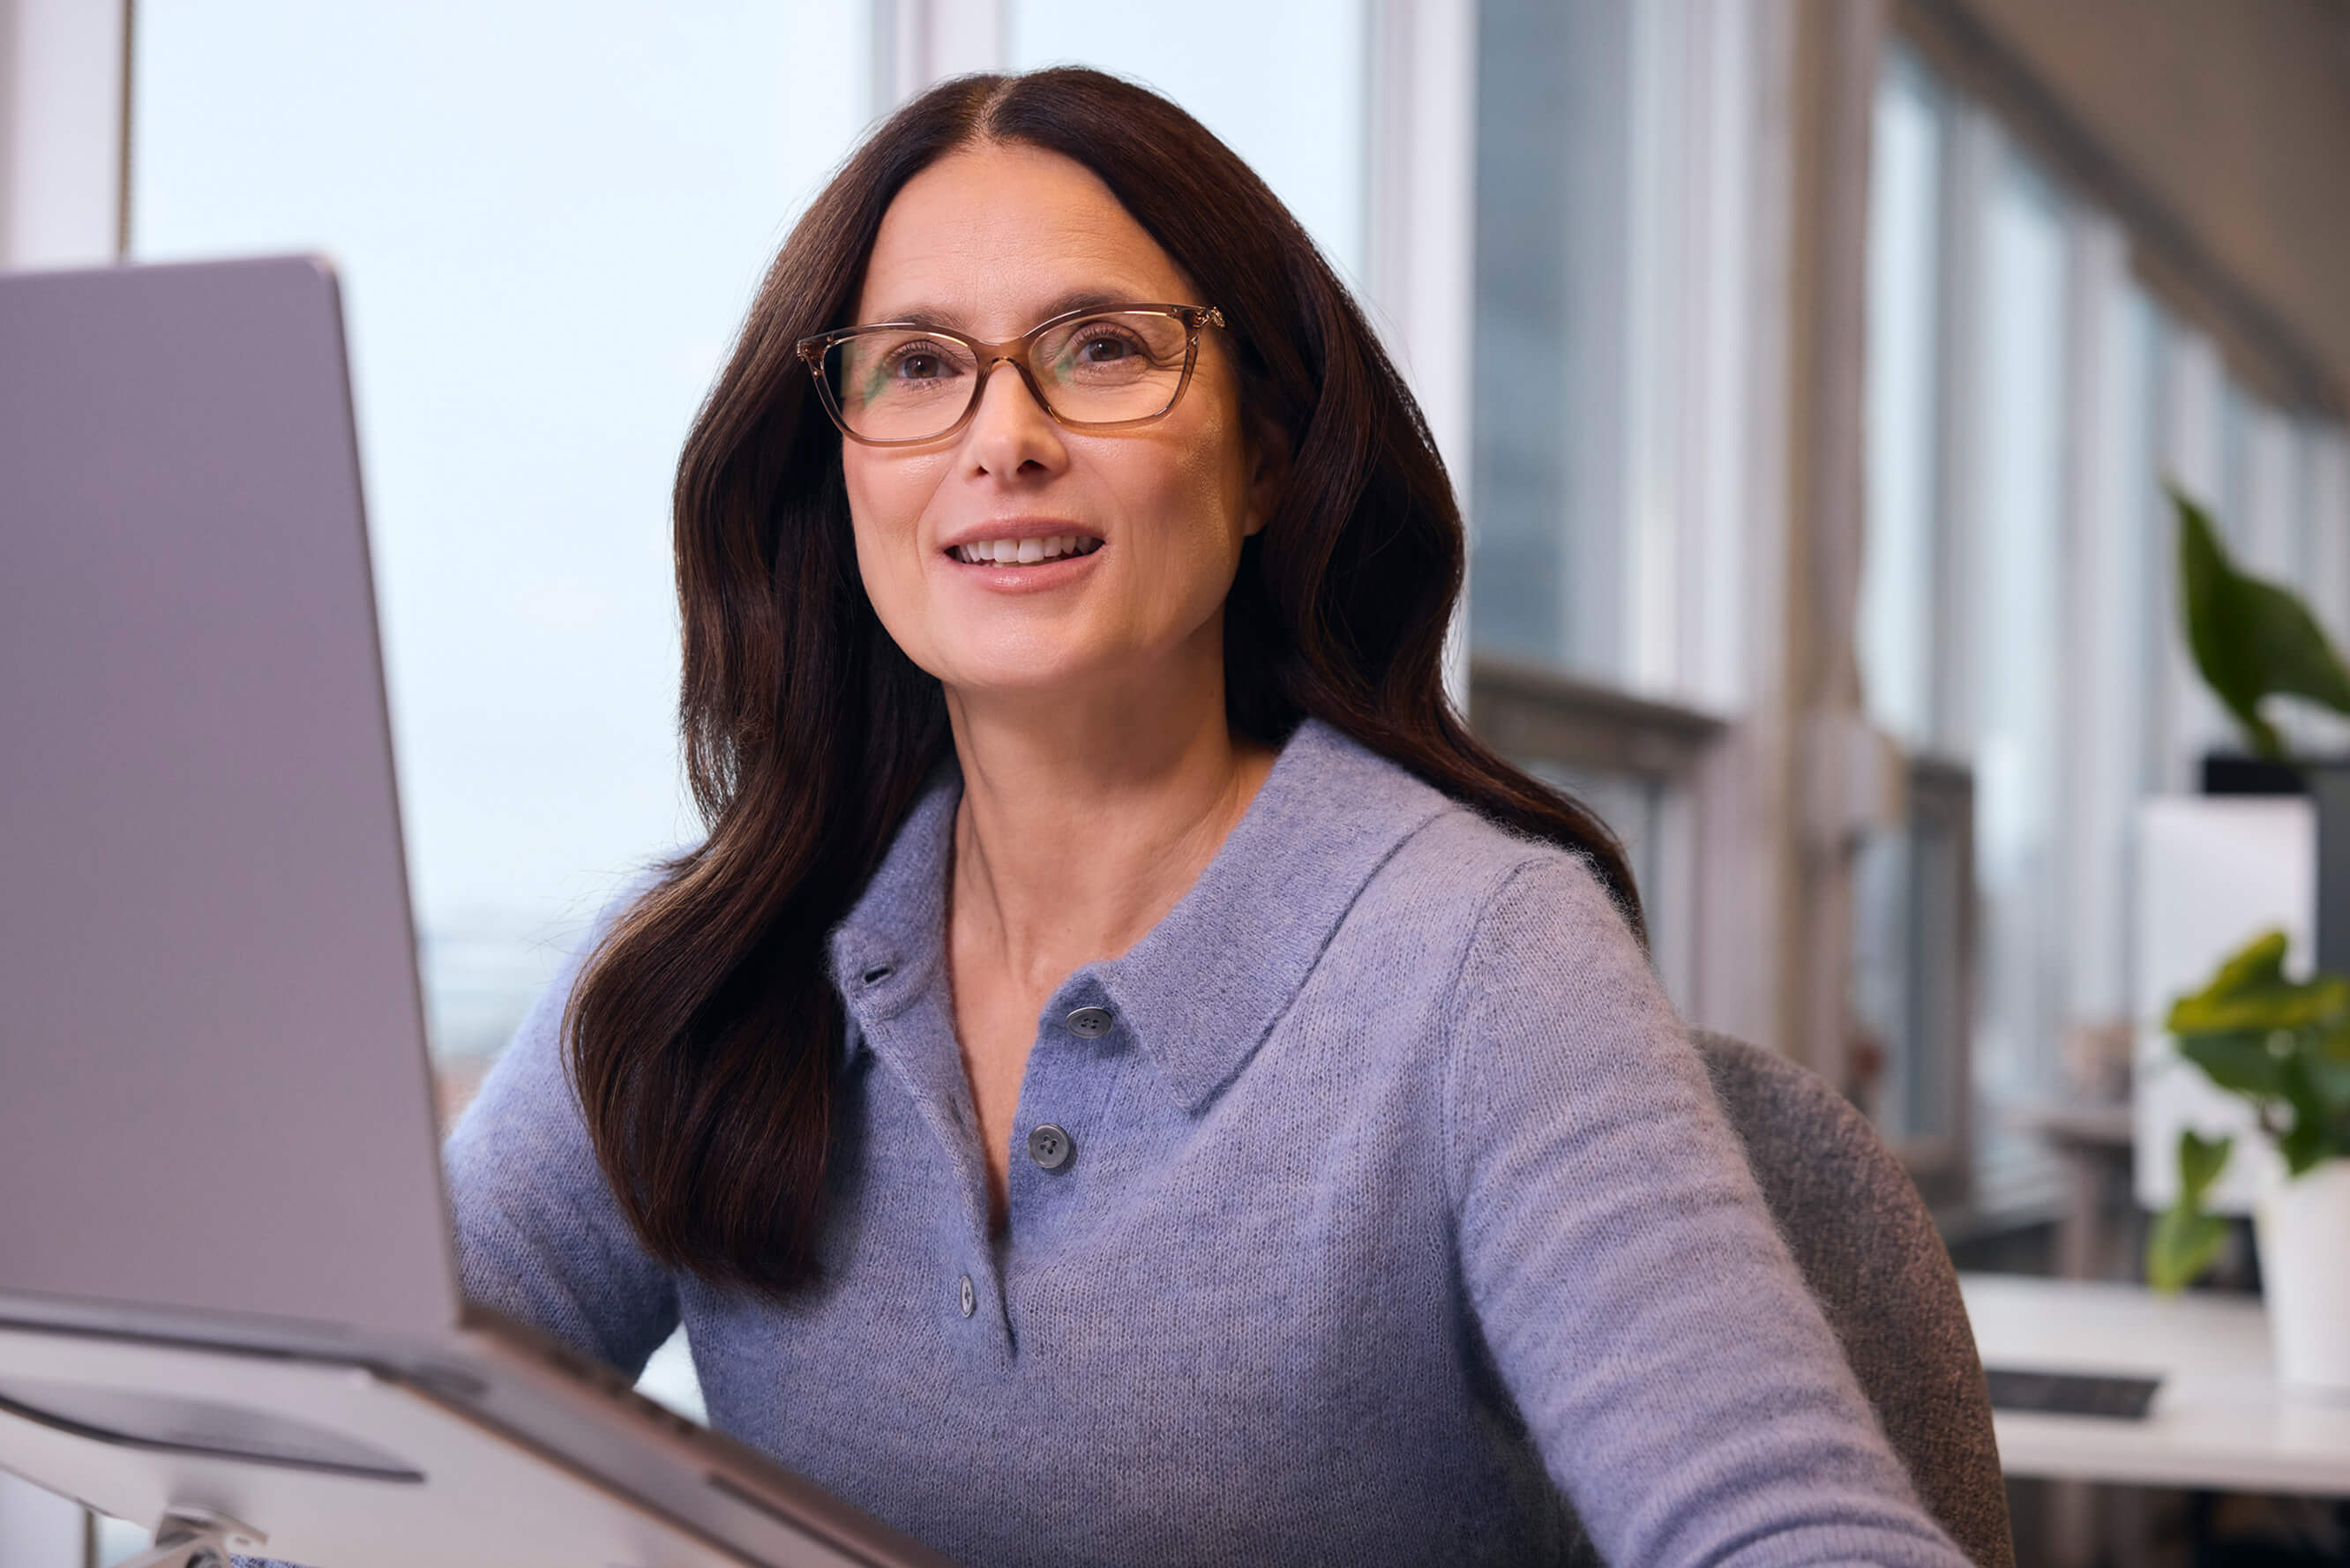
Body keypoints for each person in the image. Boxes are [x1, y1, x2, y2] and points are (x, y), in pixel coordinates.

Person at [443, 68, 1972, 1568]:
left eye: (1102, 348)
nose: (1003, 436)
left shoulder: (1480, 959)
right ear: (839, 470)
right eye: (918, 364)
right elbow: (340, 1400)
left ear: (1264, 456)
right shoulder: (717, 957)